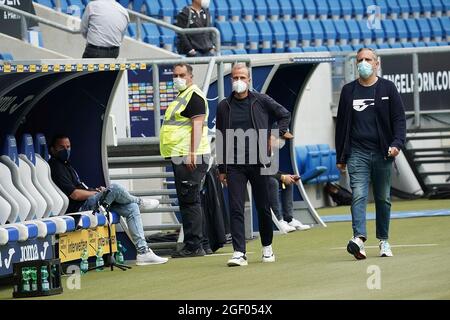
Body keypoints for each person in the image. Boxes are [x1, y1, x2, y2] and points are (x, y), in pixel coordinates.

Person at [216, 62, 293, 267]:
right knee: (236, 208)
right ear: (231, 79)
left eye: (242, 78)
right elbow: (221, 136)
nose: (238, 81)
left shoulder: (261, 100)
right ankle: (239, 253)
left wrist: (277, 133)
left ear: (249, 80)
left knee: (263, 207)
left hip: (260, 162)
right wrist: (221, 169)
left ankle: (267, 247)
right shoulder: (224, 106)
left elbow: (284, 114)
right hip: (234, 164)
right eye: (235, 78)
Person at [49, 135, 168, 266]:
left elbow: (81, 187)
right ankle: (140, 202)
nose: (66, 150)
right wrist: (96, 193)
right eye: (61, 147)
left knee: (131, 208)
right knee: (115, 189)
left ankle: (143, 252)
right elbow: (75, 194)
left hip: (90, 203)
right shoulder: (55, 166)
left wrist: (96, 190)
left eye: (68, 147)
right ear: (53, 150)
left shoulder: (66, 165)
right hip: (79, 208)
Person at [335, 48, 406, 260]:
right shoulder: (348, 91)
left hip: (383, 153)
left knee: (383, 198)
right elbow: (341, 126)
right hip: (357, 153)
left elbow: (399, 120)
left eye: (368, 59)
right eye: (360, 60)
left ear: (377, 63)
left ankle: (384, 240)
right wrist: (341, 156)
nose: (363, 63)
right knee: (358, 195)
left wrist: (397, 144)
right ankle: (359, 239)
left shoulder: (388, 88)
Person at [160, 63, 211, 258]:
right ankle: (201, 243)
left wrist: (192, 153)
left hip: (189, 156)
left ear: (190, 76)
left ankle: (193, 246)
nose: (177, 78)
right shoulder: (183, 96)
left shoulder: (194, 96)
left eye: (181, 75)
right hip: (181, 154)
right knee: (191, 200)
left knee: (189, 201)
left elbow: (197, 126)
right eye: (175, 75)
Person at [267, 133, 311, 233]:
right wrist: (282, 177)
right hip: (256, 178)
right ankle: (278, 219)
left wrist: (288, 176)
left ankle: (288, 219)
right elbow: (263, 170)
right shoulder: (261, 149)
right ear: (270, 137)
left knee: (288, 182)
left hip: (266, 176)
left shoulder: (273, 151)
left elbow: (273, 170)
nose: (282, 141)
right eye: (280, 138)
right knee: (274, 182)